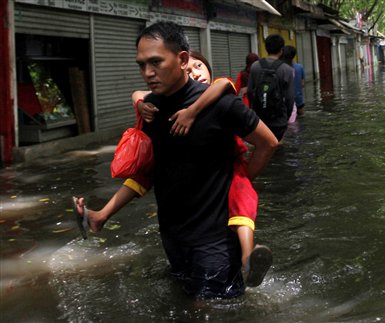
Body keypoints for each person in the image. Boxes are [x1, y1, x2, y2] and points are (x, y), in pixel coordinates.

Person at [73, 21, 278, 299]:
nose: (147, 73)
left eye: (156, 62)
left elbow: (268, 143)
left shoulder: (220, 103)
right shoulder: (150, 110)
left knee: (207, 313)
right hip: (172, 235)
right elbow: (147, 171)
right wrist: (101, 214)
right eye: (141, 65)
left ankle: (245, 258)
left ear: (182, 59)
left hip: (215, 239)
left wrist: (239, 181)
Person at [131, 50, 271, 287]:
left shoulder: (219, 95)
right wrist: (140, 103)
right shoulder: (162, 105)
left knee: (242, 207)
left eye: (199, 66)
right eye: (191, 70)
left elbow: (224, 84)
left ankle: (248, 256)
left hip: (233, 171)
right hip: (179, 225)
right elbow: (137, 92)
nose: (195, 73)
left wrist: (192, 112)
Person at [247, 34, 294, 142]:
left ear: (266, 48)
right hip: (278, 120)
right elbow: (290, 99)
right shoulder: (286, 69)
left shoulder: (255, 66)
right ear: (282, 50)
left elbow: (250, 92)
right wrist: (285, 118)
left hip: (259, 120)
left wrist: (255, 111)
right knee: (277, 150)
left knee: (261, 147)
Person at [282, 45, 305, 117]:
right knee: (301, 116)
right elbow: (302, 84)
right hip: (298, 98)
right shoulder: (299, 67)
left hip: (285, 100)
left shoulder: (281, 68)